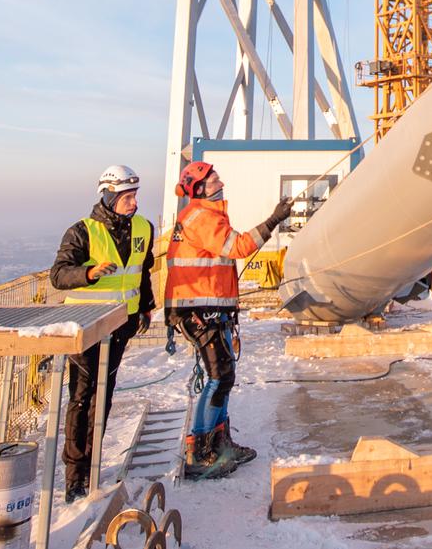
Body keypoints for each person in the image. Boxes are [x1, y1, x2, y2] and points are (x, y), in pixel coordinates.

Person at [165, 160, 292, 481]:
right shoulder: (202, 218)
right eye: (212, 179)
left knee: (224, 375)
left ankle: (220, 443)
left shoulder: (207, 215)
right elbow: (239, 246)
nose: (219, 180)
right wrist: (273, 220)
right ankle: (201, 450)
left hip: (208, 307)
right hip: (197, 308)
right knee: (219, 377)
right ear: (199, 188)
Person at [49, 164, 155, 502]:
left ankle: (93, 465)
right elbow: (59, 276)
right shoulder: (82, 232)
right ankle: (75, 477)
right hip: (84, 325)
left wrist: (145, 308)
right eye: (126, 197)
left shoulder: (143, 227)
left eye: (135, 195)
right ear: (108, 196)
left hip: (120, 324)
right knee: (82, 396)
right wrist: (90, 273)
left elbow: (144, 271)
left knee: (104, 394)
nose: (133, 203)